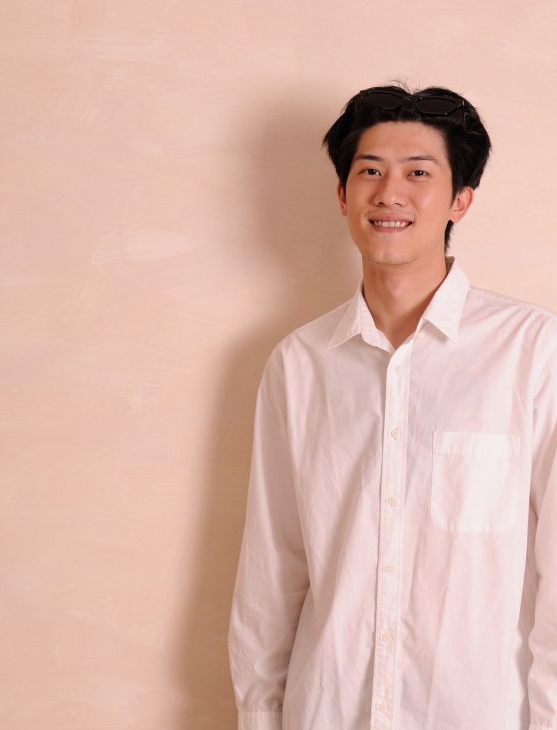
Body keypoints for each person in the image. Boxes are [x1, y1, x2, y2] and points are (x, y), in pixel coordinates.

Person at [227, 81, 557, 730]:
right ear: (343, 194)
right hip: (329, 711)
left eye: (418, 173)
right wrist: (260, 715)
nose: (390, 193)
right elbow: (273, 565)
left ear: (461, 199)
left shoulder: (532, 351)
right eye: (370, 171)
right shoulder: (300, 364)